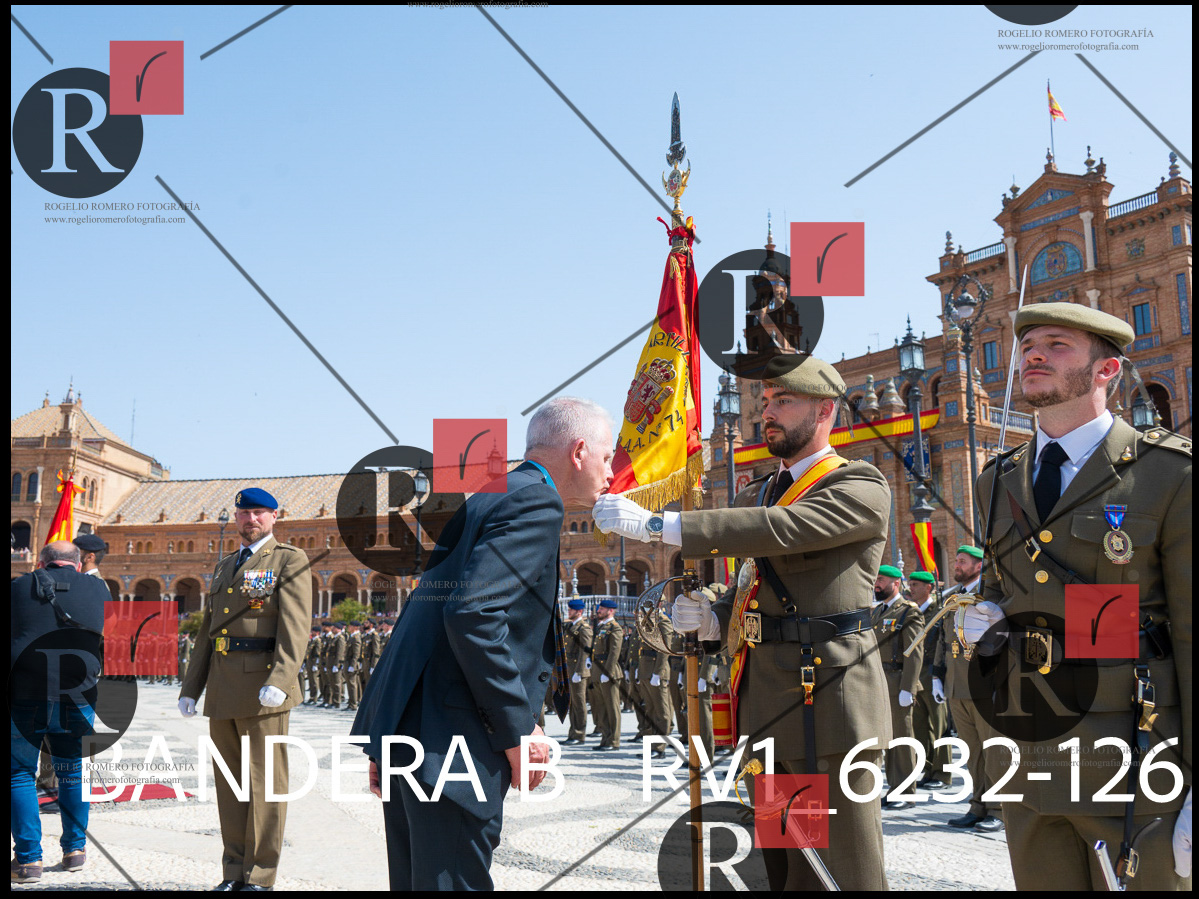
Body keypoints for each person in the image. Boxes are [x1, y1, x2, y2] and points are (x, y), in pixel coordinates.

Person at [595, 355, 893, 891]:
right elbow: (752, 583)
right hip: (768, 702)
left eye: (785, 401)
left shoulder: (857, 484)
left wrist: (664, 525)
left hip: (830, 702)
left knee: (840, 869)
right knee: (785, 865)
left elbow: (782, 530)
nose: (767, 411)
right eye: (766, 401)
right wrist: (714, 618)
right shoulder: (757, 492)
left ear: (825, 411)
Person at [959, 303, 1190, 889]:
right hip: (1026, 750)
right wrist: (989, 618)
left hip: (1132, 754)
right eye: (1027, 345)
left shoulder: (1168, 474)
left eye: (1057, 344)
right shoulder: (996, 479)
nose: (1033, 354)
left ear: (1106, 370)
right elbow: (1002, 585)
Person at [351, 397, 614, 890]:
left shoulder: (489, 494)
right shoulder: (537, 502)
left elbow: (424, 612)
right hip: (453, 739)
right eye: (607, 457)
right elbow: (472, 613)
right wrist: (517, 730)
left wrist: (384, 732)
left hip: (417, 728)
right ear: (579, 451)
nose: (612, 472)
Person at [177, 487, 312, 891]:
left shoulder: (288, 559)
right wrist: (192, 686)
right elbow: (208, 630)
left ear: (274, 516)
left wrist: (280, 680)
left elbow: (295, 627)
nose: (250, 519)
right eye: (244, 513)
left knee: (265, 784)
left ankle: (260, 875)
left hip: (262, 687)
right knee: (230, 784)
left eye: (258, 512)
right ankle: (233, 871)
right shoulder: (224, 566)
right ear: (235, 517)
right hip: (222, 688)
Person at [10, 541, 109, 883]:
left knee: (19, 773)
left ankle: (28, 861)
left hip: (26, 692)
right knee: (73, 772)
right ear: (78, 564)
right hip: (78, 693)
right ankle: (75, 851)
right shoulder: (100, 589)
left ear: (41, 562)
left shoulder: (20, 586)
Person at [930, 546, 1002, 832]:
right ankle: (978, 805)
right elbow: (942, 639)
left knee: (993, 751)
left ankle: (998, 809)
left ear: (978, 566)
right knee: (973, 752)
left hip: (984, 685)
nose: (957, 565)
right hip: (956, 686)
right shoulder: (953, 598)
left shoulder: (992, 597)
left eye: (962, 561)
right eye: (956, 560)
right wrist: (937, 675)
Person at [871, 565, 924, 810]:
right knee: (887, 739)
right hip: (879, 682)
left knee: (902, 741)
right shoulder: (877, 611)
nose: (877, 584)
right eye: (876, 579)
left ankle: (906, 792)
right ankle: (894, 789)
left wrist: (908, 688)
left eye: (881, 579)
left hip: (897, 681)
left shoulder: (908, 611)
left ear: (896, 583)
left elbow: (914, 652)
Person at [908, 570, 951, 790]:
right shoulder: (911, 611)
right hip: (916, 677)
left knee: (940, 726)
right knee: (921, 727)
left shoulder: (939, 610)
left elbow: (942, 644)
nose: (911, 588)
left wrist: (939, 675)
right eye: (910, 584)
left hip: (933, 675)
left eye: (915, 584)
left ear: (929, 588)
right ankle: (928, 769)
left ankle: (942, 774)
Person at [591, 598, 624, 751]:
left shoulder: (615, 628)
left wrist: (608, 672)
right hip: (598, 671)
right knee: (601, 707)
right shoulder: (602, 627)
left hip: (608, 672)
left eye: (602, 609)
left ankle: (614, 741)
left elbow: (614, 652)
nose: (599, 611)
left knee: (612, 707)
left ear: (610, 611)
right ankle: (605, 738)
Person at [563, 598, 593, 744]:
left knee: (579, 704)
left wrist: (579, 672)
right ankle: (573, 733)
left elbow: (584, 652)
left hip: (577, 671)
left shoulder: (584, 628)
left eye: (571, 610)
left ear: (579, 611)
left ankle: (579, 734)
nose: (569, 612)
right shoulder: (570, 626)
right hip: (569, 669)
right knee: (572, 704)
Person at [344, 621, 362, 711]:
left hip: (351, 664)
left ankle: (353, 704)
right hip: (348, 663)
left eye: (350, 626)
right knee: (350, 685)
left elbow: (356, 654)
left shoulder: (356, 638)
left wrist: (352, 665)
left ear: (355, 627)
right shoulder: (351, 637)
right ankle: (351, 703)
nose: (348, 627)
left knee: (352, 685)